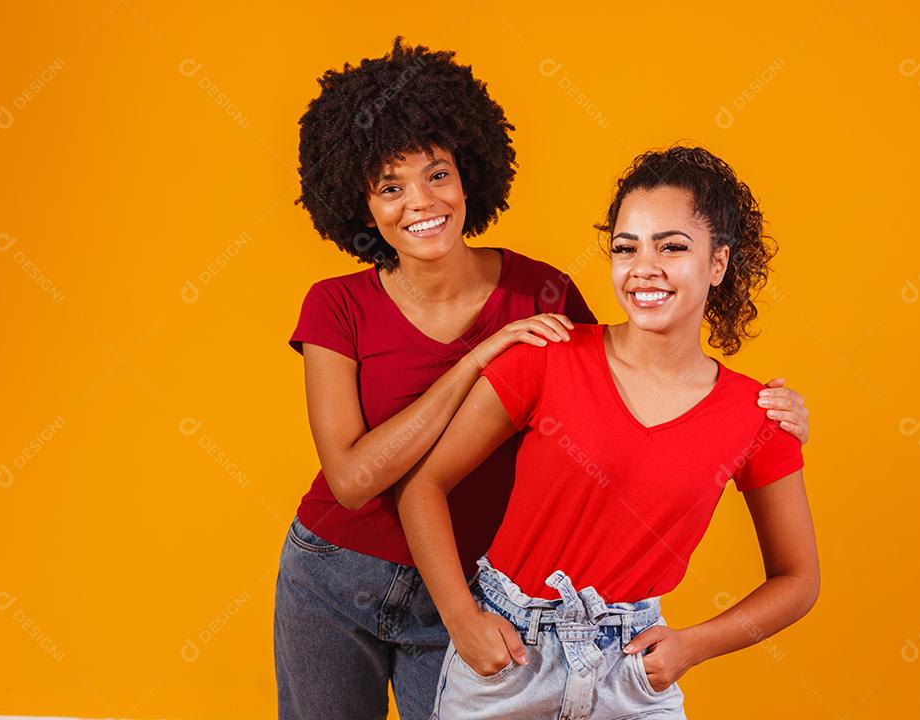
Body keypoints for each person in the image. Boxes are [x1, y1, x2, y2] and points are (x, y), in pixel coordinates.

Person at [276, 37, 811, 720]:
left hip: (470, 587)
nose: (419, 201)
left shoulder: (544, 295)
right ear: (360, 202)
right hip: (336, 571)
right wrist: (475, 361)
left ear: (470, 173)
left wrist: (765, 418)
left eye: (437, 174)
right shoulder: (337, 305)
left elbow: (626, 378)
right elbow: (353, 481)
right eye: (389, 186)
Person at [396, 145, 820, 719]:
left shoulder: (758, 414)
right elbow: (423, 486)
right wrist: (462, 620)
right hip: (507, 660)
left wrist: (693, 645)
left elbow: (798, 580)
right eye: (627, 247)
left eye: (672, 246)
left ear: (718, 264)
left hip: (631, 672)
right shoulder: (548, 357)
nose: (644, 266)